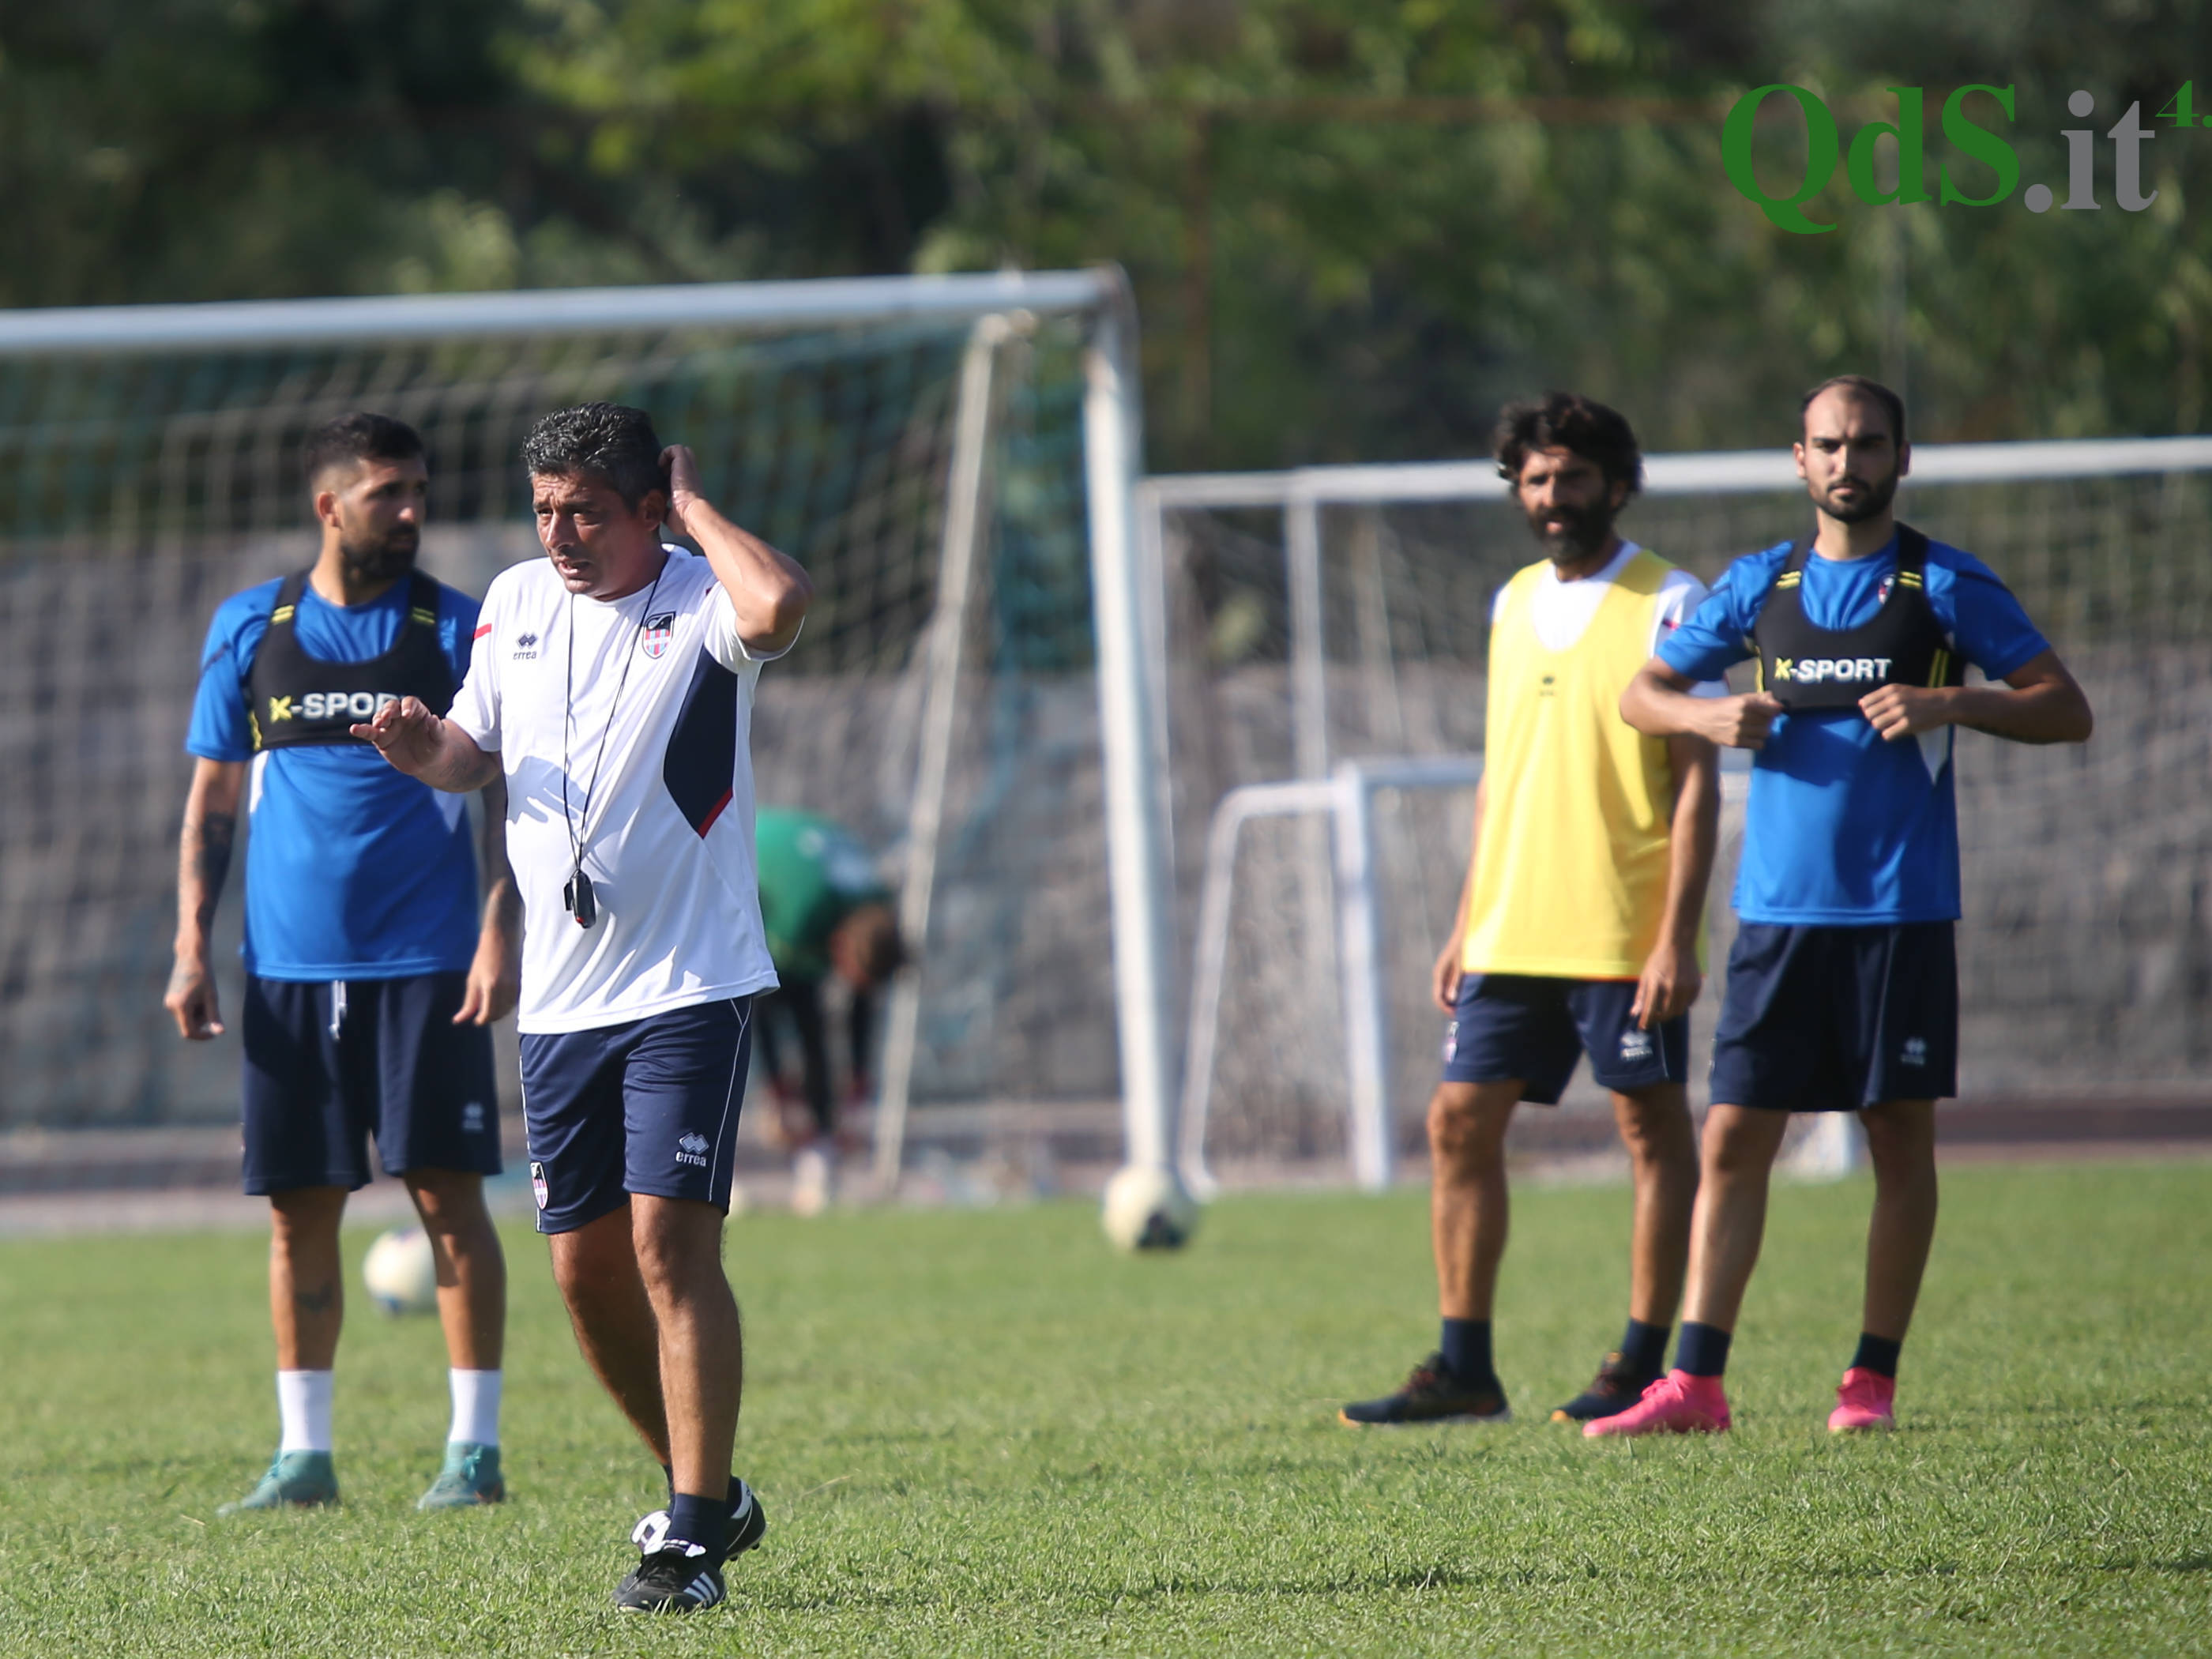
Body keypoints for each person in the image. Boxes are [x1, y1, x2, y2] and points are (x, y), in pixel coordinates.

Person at [354, 401, 811, 1612]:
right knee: (583, 1276)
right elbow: (476, 754)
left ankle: (694, 1545)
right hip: (561, 1003)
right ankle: (702, 1482)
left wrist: (694, 505)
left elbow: (779, 609)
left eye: (589, 512)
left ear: (649, 511)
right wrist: (424, 747)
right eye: (547, 508)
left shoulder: (701, 597)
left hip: (689, 985)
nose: (560, 534)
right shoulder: (511, 601)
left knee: (669, 1247)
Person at [1597, 375, 2092, 1438]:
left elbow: (2066, 707)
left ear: (1901, 458)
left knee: (1896, 1136)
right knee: (1733, 1137)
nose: (1847, 462)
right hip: (1779, 917)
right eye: (1828, 444)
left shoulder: (1944, 586)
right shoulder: (1759, 584)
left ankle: (1869, 1383)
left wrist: (1951, 699)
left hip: (1900, 914)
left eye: (1867, 443)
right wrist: (1709, 712)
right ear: (1799, 459)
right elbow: (1639, 694)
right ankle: (1696, 1384)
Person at [1340, 392, 1721, 1429]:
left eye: (1575, 477)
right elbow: (1500, 775)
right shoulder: (1509, 602)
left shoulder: (1668, 600)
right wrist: (1469, 918)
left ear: (1617, 484)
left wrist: (1675, 936)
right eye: (1538, 479)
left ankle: (1644, 1359)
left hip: (1619, 923)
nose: (1555, 497)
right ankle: (1466, 1367)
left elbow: (1696, 780)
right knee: (1457, 1121)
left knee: (1649, 1128)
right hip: (1513, 924)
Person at [167, 413, 520, 1514]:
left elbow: (506, 786)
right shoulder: (251, 627)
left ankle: (474, 1452)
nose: (413, 511)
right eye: (387, 494)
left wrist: (501, 923)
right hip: (287, 968)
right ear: (330, 506)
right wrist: (191, 945)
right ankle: (304, 1458)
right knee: (296, 1209)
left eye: (419, 488)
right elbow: (213, 802)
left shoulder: (457, 626)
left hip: (428, 964)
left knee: (448, 1198)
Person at [752, 806, 905, 1214]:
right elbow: (762, 1002)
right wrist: (779, 1090)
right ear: (839, 946)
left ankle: (818, 1149)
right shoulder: (802, 917)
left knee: (813, 1016)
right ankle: (811, 1147)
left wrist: (857, 1083)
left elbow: (863, 999)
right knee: (797, 1005)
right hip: (748, 852)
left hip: (804, 858)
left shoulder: (876, 908)